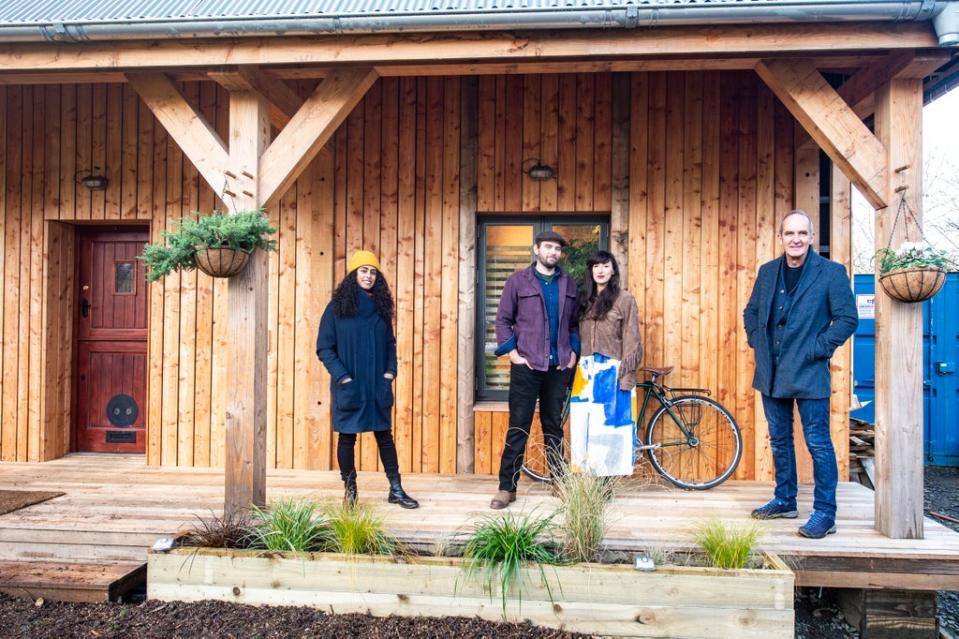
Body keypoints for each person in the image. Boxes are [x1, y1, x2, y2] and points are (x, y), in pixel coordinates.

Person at [743, 210, 857, 538]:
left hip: (809, 371)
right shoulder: (768, 273)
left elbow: (848, 318)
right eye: (789, 233)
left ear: (811, 238)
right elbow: (750, 311)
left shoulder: (831, 273)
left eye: (802, 234)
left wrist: (817, 349)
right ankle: (784, 499)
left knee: (818, 442)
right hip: (771, 371)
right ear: (781, 238)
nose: (796, 239)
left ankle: (825, 512)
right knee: (779, 440)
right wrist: (755, 338)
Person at [316, 250, 418, 509]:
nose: (369, 276)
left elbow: (390, 345)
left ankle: (396, 489)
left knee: (385, 436)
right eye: (363, 270)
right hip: (350, 385)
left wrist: (390, 373)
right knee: (347, 438)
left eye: (373, 272)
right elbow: (324, 348)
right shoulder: (336, 309)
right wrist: (343, 377)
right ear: (353, 274)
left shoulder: (382, 309)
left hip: (377, 386)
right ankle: (350, 491)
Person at [490, 230, 580, 509]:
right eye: (548, 247)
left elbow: (575, 323)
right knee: (518, 427)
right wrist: (513, 354)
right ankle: (507, 488)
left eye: (557, 249)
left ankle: (559, 482)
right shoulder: (517, 281)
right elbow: (503, 320)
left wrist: (573, 353)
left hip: (558, 366)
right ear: (536, 249)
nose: (553, 252)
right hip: (527, 366)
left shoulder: (569, 284)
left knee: (553, 427)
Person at [571, 251, 643, 476]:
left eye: (605, 266)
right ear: (591, 271)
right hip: (584, 372)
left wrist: (627, 374)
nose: (600, 270)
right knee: (583, 426)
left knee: (610, 431)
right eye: (596, 266)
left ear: (613, 270)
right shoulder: (584, 300)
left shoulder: (624, 299)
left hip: (612, 370)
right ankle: (585, 480)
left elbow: (632, 337)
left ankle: (607, 483)